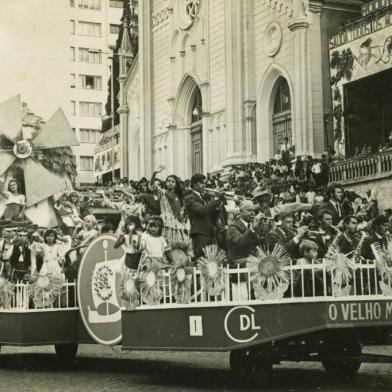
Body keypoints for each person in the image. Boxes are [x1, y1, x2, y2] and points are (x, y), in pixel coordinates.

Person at [227, 200, 266, 301]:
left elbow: (257, 244)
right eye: (249, 210)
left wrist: (261, 226)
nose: (252, 213)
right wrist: (253, 228)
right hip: (237, 263)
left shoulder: (250, 226)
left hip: (250, 262)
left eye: (253, 211)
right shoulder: (233, 227)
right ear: (240, 212)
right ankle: (255, 295)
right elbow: (241, 242)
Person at [185, 173, 223, 260]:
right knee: (201, 260)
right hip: (200, 233)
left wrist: (217, 208)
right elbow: (201, 211)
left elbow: (212, 218)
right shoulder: (190, 197)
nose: (204, 185)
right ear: (195, 184)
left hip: (211, 232)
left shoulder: (205, 198)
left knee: (214, 260)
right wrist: (216, 199)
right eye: (202, 183)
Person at [151, 170, 189, 244]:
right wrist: (154, 173)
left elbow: (181, 210)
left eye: (173, 181)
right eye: (168, 181)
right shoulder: (162, 192)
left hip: (176, 221)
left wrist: (181, 217)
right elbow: (152, 185)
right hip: (165, 220)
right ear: (166, 183)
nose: (170, 183)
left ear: (176, 184)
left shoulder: (178, 196)